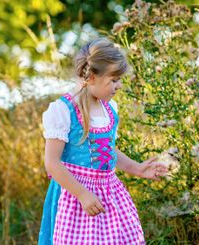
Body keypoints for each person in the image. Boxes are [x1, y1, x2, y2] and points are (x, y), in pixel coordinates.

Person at [38, 38, 168, 244]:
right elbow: (52, 163)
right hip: (74, 197)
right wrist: (82, 194)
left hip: (109, 195)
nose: (119, 85)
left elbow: (108, 152)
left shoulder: (110, 109)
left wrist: (138, 168)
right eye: (114, 80)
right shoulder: (63, 110)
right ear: (90, 77)